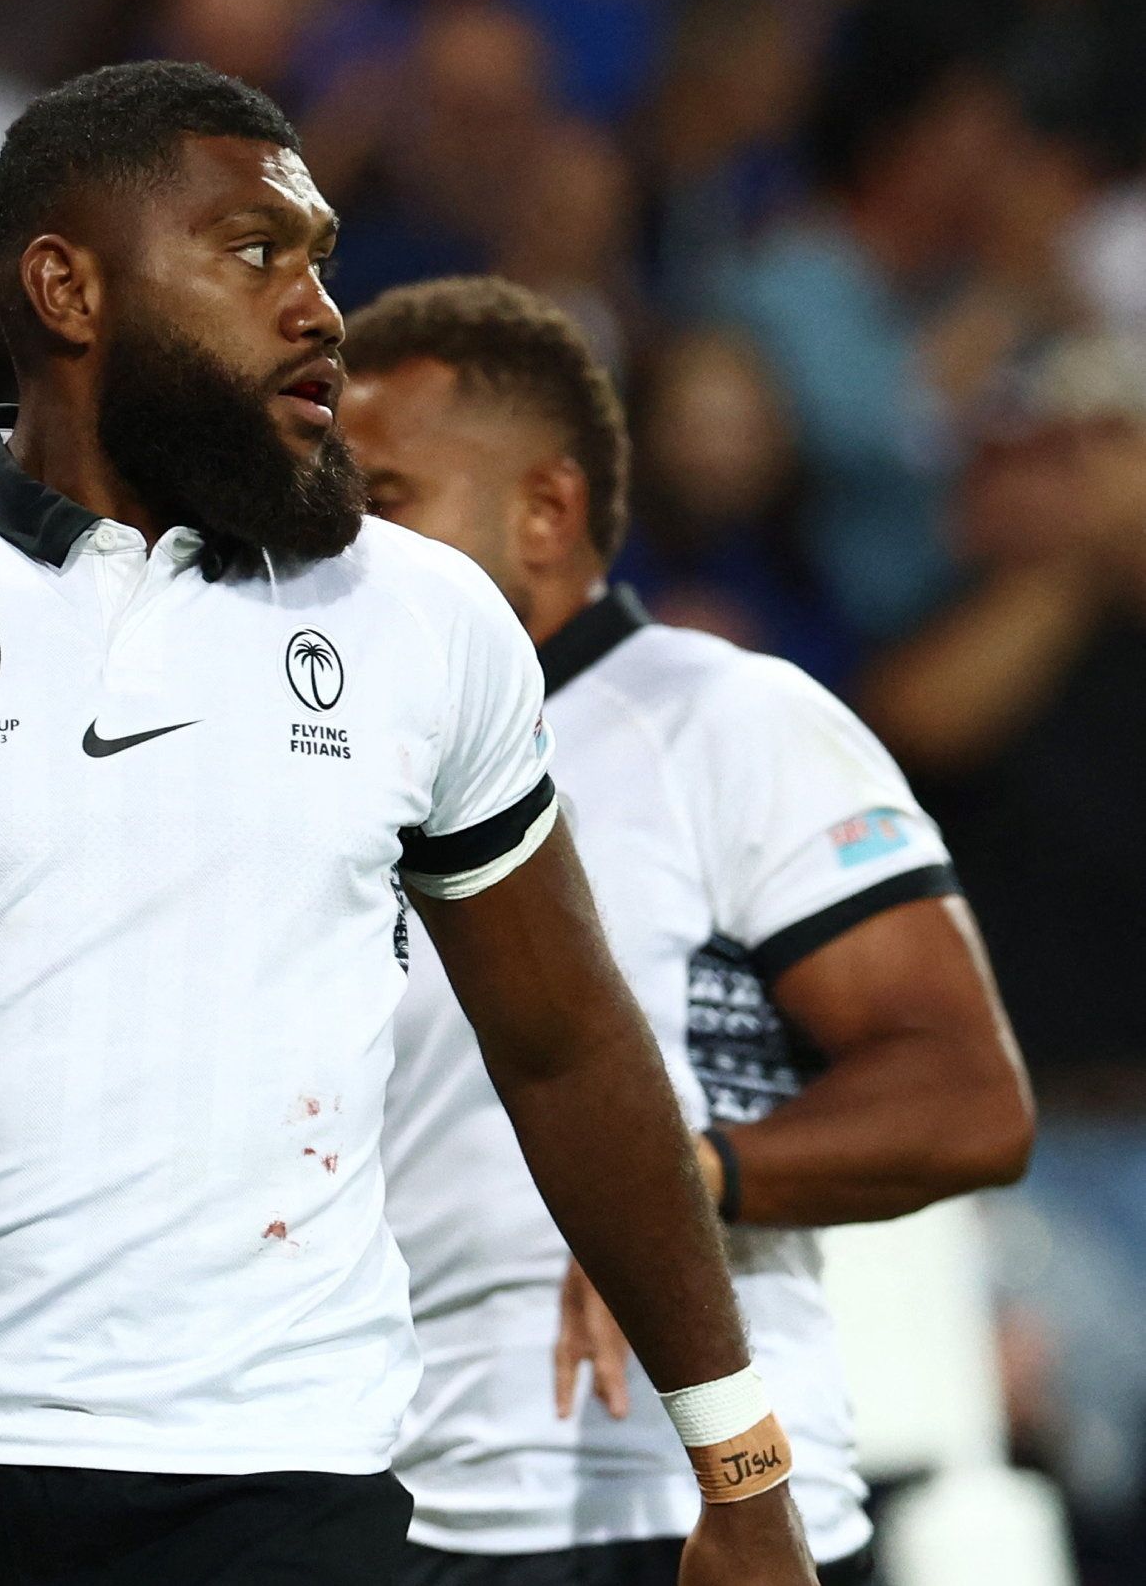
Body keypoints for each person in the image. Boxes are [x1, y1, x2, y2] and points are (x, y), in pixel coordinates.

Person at [0, 62, 813, 1585]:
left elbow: (569, 1045)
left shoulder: (424, 621)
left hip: (288, 1489)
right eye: (255, 253)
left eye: (316, 257)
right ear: (67, 286)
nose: (319, 309)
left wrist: (745, 1470)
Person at [344, 275, 1034, 1586]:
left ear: (544, 509)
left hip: (677, 1509)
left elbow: (965, 1094)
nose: (346, 550)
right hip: (383, 1499)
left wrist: (677, 1187)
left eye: (385, 502)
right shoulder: (334, 764)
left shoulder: (728, 722)